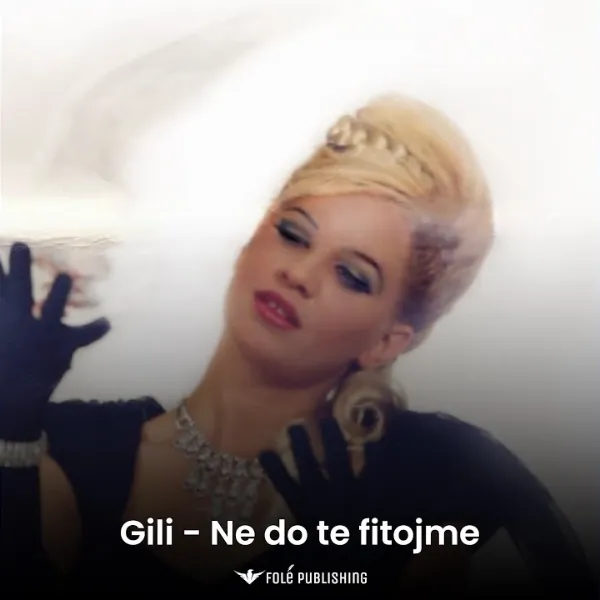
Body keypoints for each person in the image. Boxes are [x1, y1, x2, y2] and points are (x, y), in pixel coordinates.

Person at [0, 95, 596, 597]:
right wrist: (10, 434)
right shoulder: (71, 451)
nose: (300, 274)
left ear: (388, 340)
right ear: (252, 238)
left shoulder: (426, 475)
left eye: (352, 275)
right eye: (293, 234)